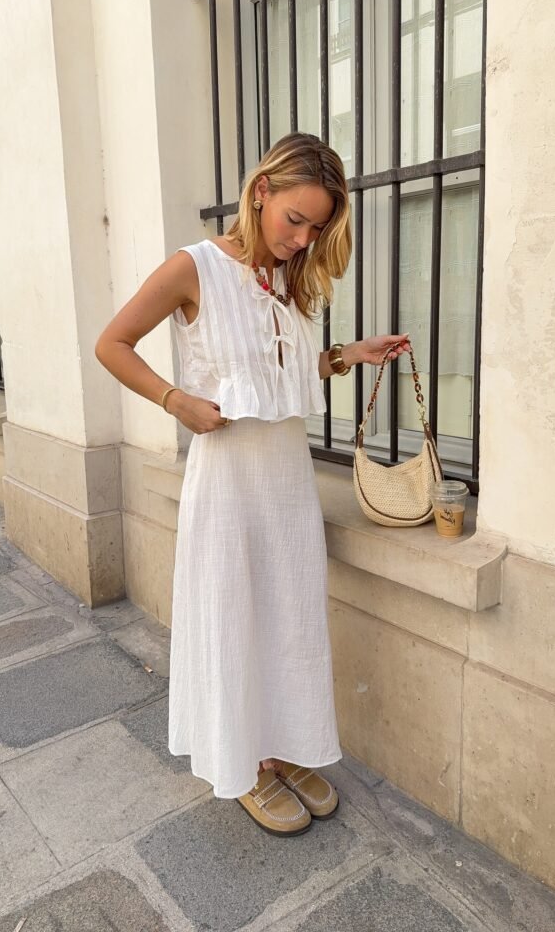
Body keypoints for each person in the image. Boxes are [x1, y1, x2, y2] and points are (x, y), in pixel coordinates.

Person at [95, 132, 411, 837]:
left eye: (317, 226)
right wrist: (175, 402)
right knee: (236, 614)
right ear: (260, 190)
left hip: (286, 479)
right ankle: (244, 764)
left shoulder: (290, 282)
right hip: (229, 480)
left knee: (288, 616)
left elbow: (280, 376)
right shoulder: (194, 268)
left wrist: (347, 356)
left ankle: (284, 746)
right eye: (294, 219)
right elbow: (111, 344)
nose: (303, 238)